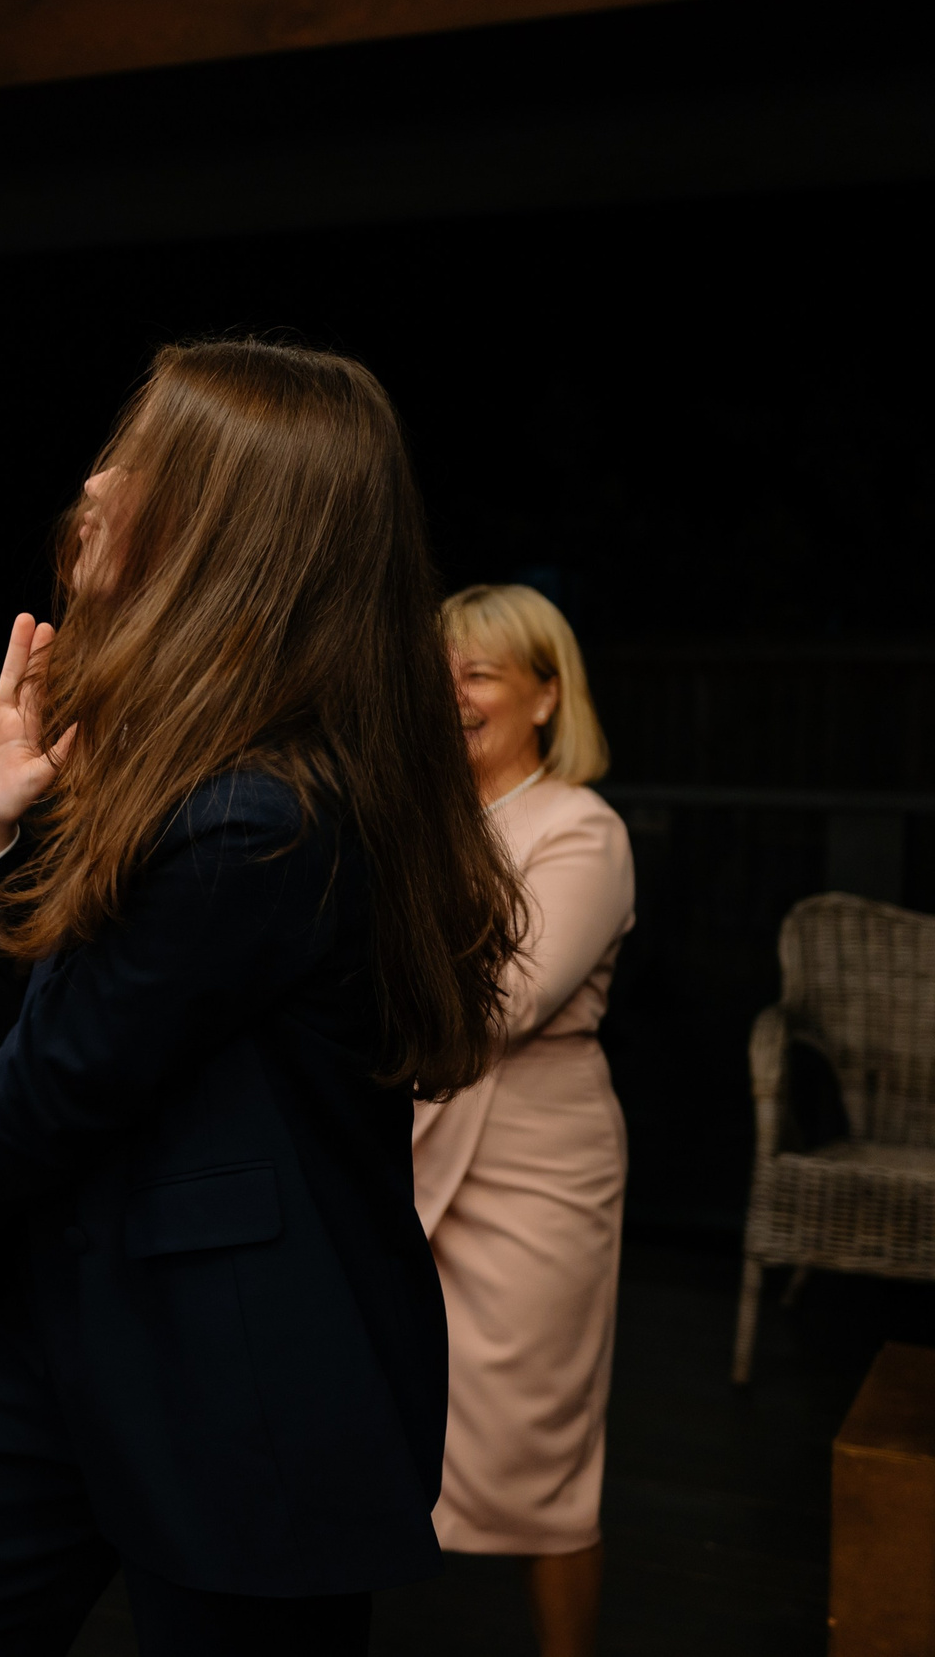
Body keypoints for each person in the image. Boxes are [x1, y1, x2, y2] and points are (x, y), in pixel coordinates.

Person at [0, 339, 527, 1655]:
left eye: (146, 459)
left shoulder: (264, 813)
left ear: (237, 524)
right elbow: (75, 1012)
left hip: (242, 1375)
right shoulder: (198, 765)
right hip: (65, 1326)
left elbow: (66, 1074)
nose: (99, 477)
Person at [416, 583, 634, 1657]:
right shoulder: (420, 821)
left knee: (540, 1448)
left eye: (480, 672)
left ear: (546, 694)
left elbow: (502, 1002)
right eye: (440, 669)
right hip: (407, 1142)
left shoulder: (581, 829)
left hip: (537, 1161)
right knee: (390, 1420)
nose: (452, 693)